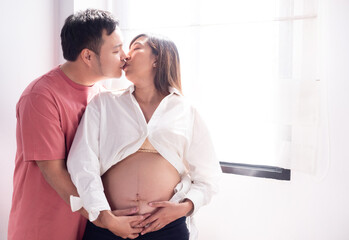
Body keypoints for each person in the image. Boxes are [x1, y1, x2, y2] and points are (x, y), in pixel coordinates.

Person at [67, 33, 222, 240]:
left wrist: (185, 207)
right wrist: (104, 216)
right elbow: (82, 163)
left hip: (166, 228)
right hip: (109, 225)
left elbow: (208, 176)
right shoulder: (104, 103)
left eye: (136, 48)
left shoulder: (186, 111)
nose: (125, 56)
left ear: (157, 58)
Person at [8, 9, 146, 240]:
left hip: (87, 228)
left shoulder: (101, 95)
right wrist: (105, 219)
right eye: (115, 50)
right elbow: (55, 172)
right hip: (43, 228)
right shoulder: (40, 97)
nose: (124, 56)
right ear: (88, 56)